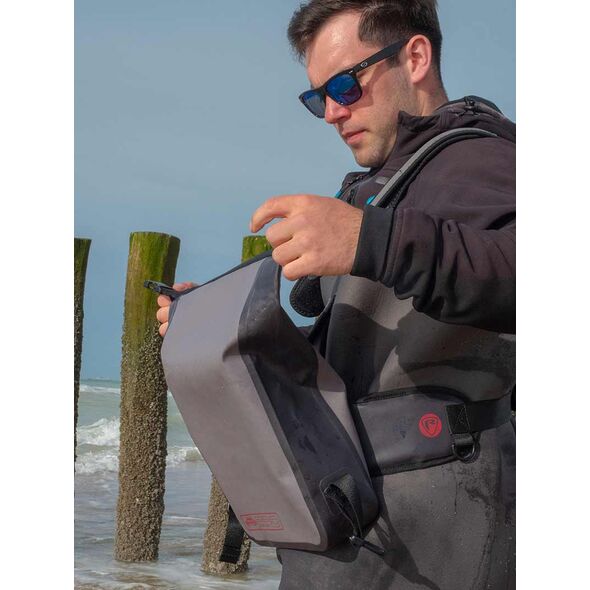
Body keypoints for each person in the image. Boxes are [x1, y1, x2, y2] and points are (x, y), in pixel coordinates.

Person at [157, 1, 515, 588]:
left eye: (346, 85)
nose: (331, 112)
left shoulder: (485, 158)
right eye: (316, 97)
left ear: (415, 58)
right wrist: (224, 331)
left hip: (439, 532)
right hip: (344, 518)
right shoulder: (377, 185)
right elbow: (351, 357)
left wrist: (370, 239)